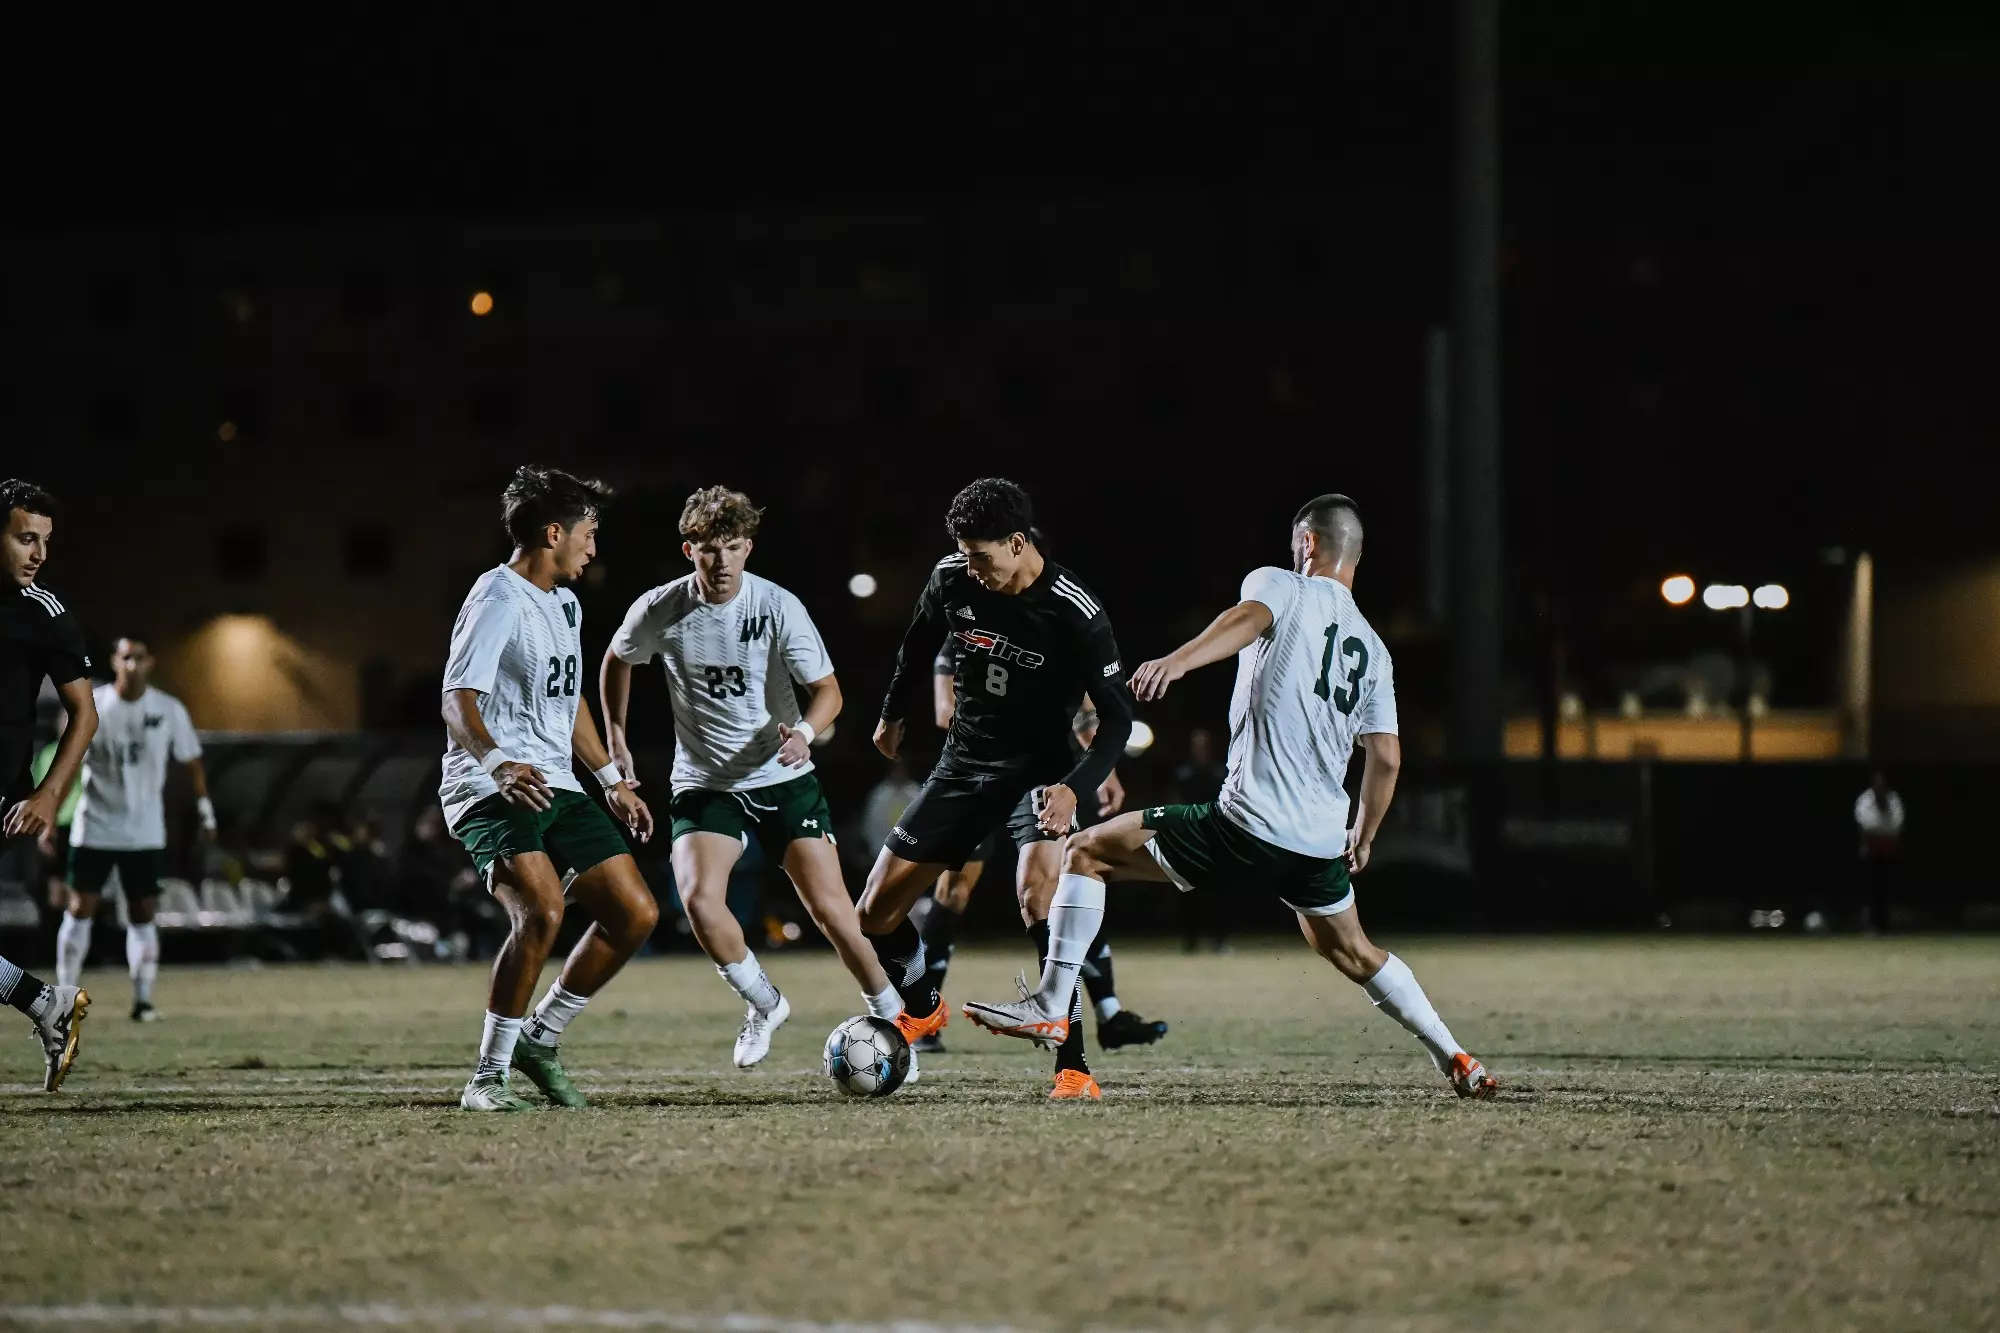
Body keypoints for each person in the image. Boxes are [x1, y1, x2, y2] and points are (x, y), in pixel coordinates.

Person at [966, 494, 1498, 1101]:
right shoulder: (1375, 650)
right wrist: (1365, 833)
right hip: (1319, 842)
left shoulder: (1282, 584)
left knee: (1085, 852)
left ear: (1308, 544)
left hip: (1246, 822)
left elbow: (1247, 618)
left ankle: (1052, 1004)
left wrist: (1179, 661)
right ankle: (1456, 1056)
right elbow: (1387, 757)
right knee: (1353, 950)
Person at [600, 486, 910, 1069]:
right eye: (709, 549)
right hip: (705, 783)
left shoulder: (777, 606)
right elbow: (618, 658)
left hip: (781, 776)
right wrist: (616, 737)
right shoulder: (661, 607)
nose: (721, 562)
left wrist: (805, 733)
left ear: (749, 547)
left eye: (733, 547)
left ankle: (895, 1024)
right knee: (698, 900)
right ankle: (764, 1003)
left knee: (834, 914)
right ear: (690, 550)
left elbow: (829, 692)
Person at [863, 478, 1133, 1100]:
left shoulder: (1074, 609)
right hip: (962, 766)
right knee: (873, 913)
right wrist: (892, 713)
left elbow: (1117, 719)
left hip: (1040, 773)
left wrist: (1075, 787)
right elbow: (917, 645)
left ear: (1017, 543)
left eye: (981, 557)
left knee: (1039, 899)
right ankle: (924, 1006)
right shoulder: (953, 578)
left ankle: (1073, 1069)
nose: (971, 569)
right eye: (964, 555)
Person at [439, 465, 659, 1112]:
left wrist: (611, 780)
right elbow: (456, 700)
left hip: (557, 782)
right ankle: (487, 1078)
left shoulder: (565, 603)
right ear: (553, 533)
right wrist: (498, 763)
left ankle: (540, 1037)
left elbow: (569, 704)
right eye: (588, 533)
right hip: (489, 785)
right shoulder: (497, 597)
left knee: (635, 913)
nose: (593, 548)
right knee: (541, 911)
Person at [910, 633, 1166, 1055]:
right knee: (952, 890)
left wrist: (1103, 772)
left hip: (1041, 781)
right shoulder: (966, 631)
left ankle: (1107, 1015)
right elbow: (945, 712)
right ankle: (925, 1018)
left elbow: (1086, 712)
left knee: (1062, 889)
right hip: (977, 777)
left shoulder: (1053, 625)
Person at [55, 636, 215, 1021]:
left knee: (143, 913)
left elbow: (192, 761)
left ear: (150, 662)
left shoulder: (168, 708)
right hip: (95, 824)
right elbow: (69, 761)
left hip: (144, 830)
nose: (132, 664)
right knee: (79, 909)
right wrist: (51, 813)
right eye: (126, 657)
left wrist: (205, 810)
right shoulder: (93, 705)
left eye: (138, 658)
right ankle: (63, 998)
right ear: (114, 661)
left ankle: (143, 1001)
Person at [0, 478, 98, 1090]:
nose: (38, 553)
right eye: (24, 539)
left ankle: (47, 1004)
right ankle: (46, 1003)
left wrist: (47, 793)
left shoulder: (43, 613)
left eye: (44, 541)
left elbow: (84, 715)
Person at [1173, 726, 1230, 953]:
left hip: (1215, 842)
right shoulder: (1183, 775)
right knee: (1189, 893)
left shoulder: (1220, 774)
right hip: (1190, 841)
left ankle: (1219, 940)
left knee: (1219, 894)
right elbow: (1175, 806)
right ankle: (1190, 940)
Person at [1853, 770, 1905, 933]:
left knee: (1887, 889)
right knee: (1870, 890)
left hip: (1888, 850)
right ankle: (1869, 924)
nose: (1880, 787)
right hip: (1871, 850)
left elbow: (1896, 825)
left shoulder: (1893, 800)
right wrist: (1878, 833)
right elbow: (1866, 824)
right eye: (1877, 784)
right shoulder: (1865, 800)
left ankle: (1886, 924)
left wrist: (1883, 832)